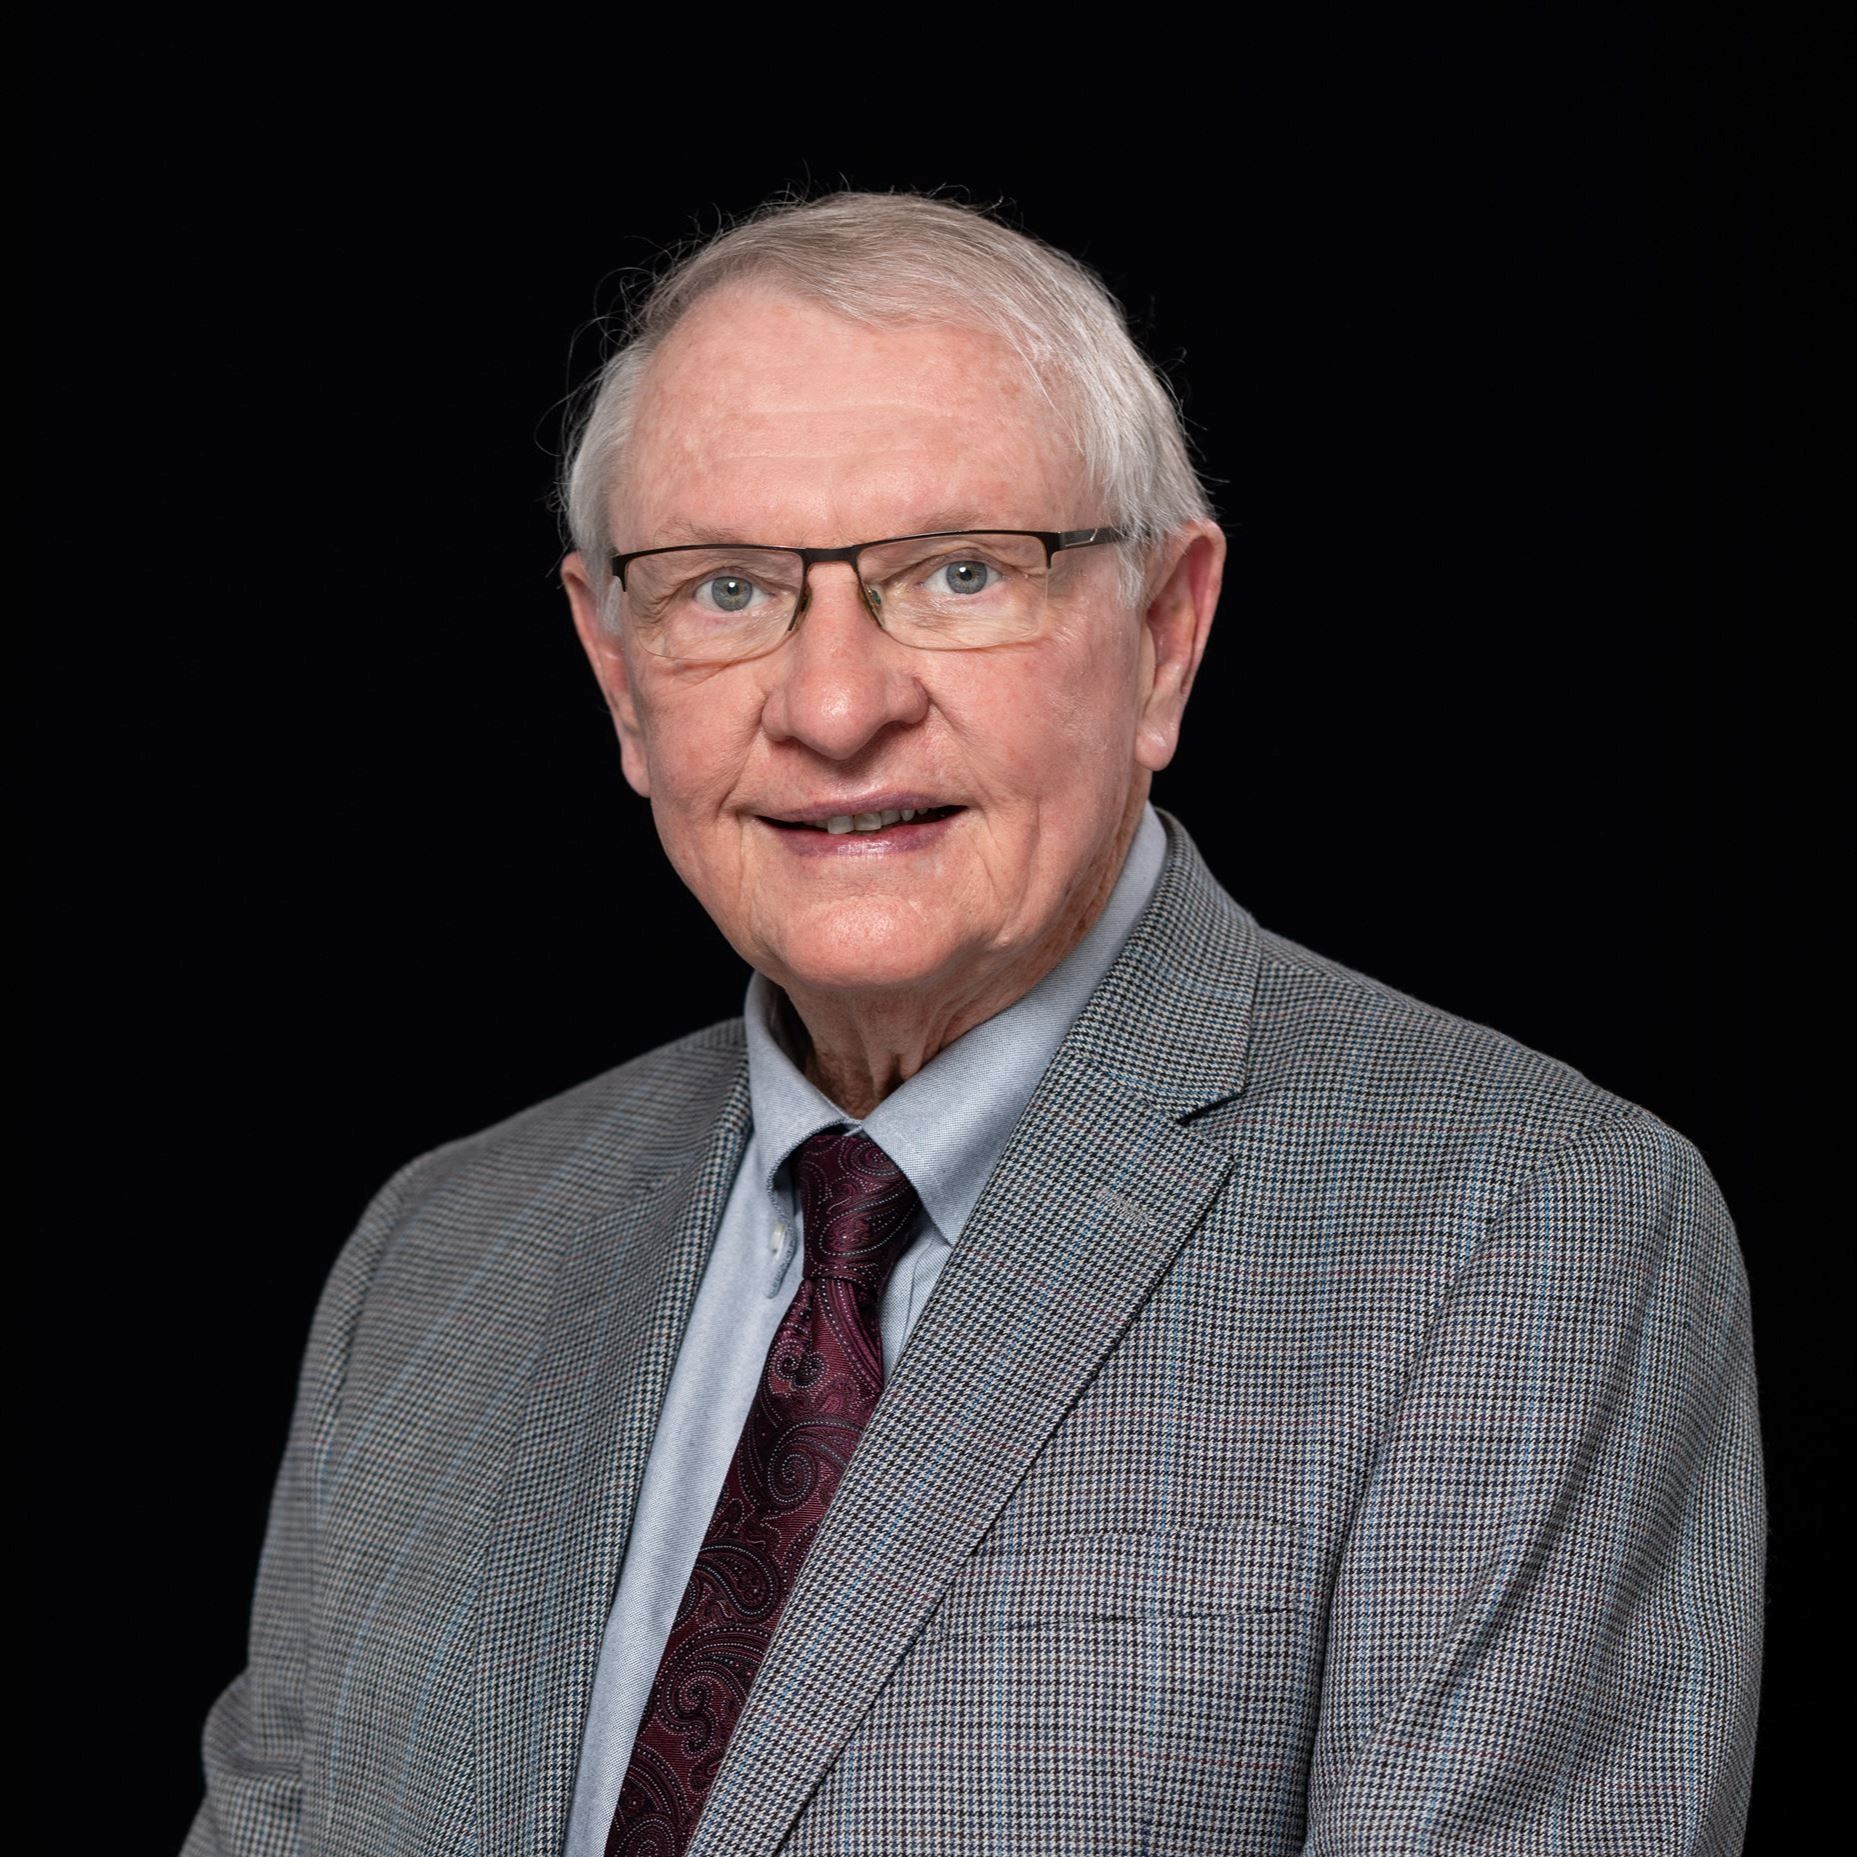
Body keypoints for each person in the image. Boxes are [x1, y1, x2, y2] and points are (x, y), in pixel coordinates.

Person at [185, 191, 1765, 1857]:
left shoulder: (1524, 1238)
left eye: (957, 573)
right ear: (614, 669)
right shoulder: (440, 1254)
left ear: (1163, 635)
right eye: (726, 590)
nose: (834, 703)